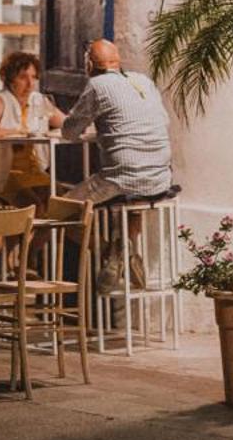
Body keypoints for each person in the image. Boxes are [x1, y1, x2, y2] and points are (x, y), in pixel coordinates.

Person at [60, 40, 173, 294]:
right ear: (118, 60)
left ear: (89, 64)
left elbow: (69, 132)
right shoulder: (143, 81)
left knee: (63, 210)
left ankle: (109, 251)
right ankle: (127, 246)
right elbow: (162, 120)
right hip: (159, 177)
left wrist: (62, 120)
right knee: (132, 199)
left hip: (121, 177)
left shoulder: (97, 85)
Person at [0, 51, 65, 207]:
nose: (30, 83)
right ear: (10, 79)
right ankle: (27, 231)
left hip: (33, 172)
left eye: (33, 77)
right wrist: (19, 132)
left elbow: (65, 123)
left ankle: (53, 232)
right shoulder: (1, 100)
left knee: (64, 200)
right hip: (5, 174)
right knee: (34, 205)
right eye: (23, 77)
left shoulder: (38, 100)